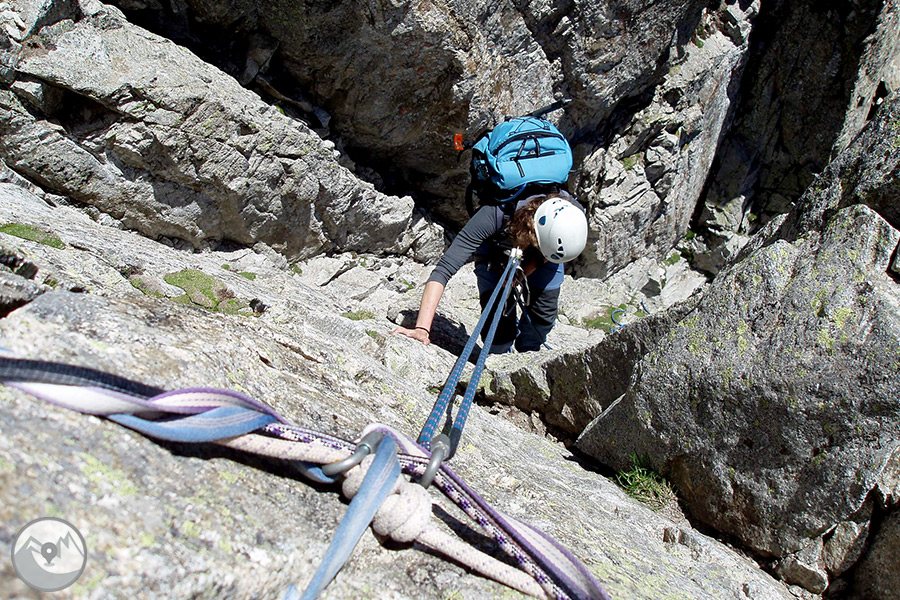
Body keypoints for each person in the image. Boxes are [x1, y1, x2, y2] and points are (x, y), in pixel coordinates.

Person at [394, 187, 588, 353]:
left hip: (546, 251)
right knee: (497, 331)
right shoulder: (492, 215)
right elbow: (443, 270)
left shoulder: (571, 217)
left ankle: (529, 354)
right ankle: (499, 360)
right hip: (495, 251)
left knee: (543, 317)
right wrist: (422, 329)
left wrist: (522, 273)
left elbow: (547, 256)